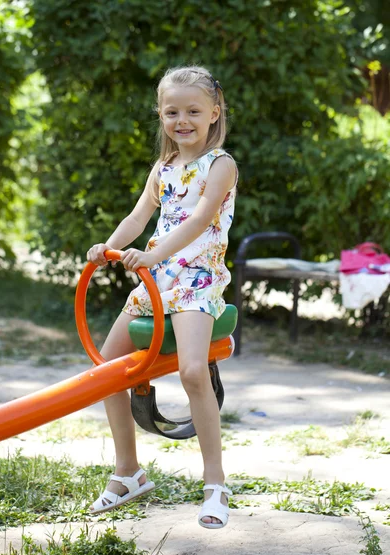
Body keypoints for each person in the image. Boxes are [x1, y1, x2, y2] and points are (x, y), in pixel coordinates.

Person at [86, 65, 237, 529]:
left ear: (214, 113)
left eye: (193, 110)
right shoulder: (163, 168)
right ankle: (129, 471)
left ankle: (215, 483)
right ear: (161, 114)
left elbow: (197, 221)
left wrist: (151, 259)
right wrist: (105, 249)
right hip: (158, 279)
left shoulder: (221, 165)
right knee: (107, 371)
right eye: (172, 111)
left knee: (193, 371)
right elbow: (137, 219)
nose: (182, 120)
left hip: (195, 278)